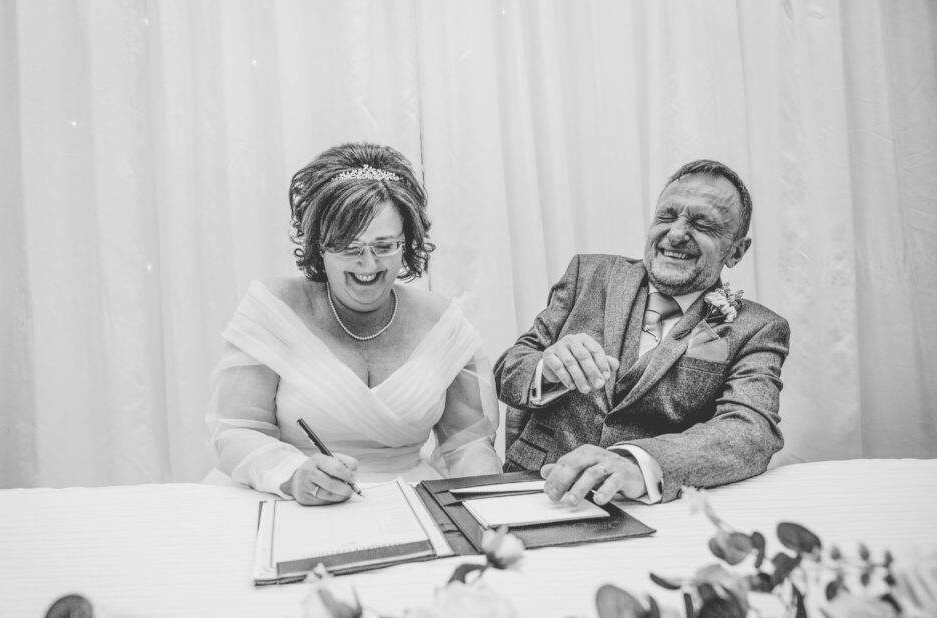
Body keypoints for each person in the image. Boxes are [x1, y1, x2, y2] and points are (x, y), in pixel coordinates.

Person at [206, 142, 501, 505]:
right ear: (320, 246)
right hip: (284, 499)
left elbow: (466, 443)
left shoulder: (442, 323)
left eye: (384, 246)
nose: (368, 263)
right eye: (349, 247)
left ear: (406, 243)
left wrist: (490, 508)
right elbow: (237, 431)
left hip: (407, 501)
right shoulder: (274, 310)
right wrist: (293, 474)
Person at [494, 159, 789, 506]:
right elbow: (508, 370)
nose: (677, 234)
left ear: (736, 251)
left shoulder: (757, 328)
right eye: (666, 217)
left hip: (648, 506)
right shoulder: (587, 275)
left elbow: (749, 430)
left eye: (702, 224)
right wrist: (547, 368)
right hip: (537, 487)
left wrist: (638, 464)